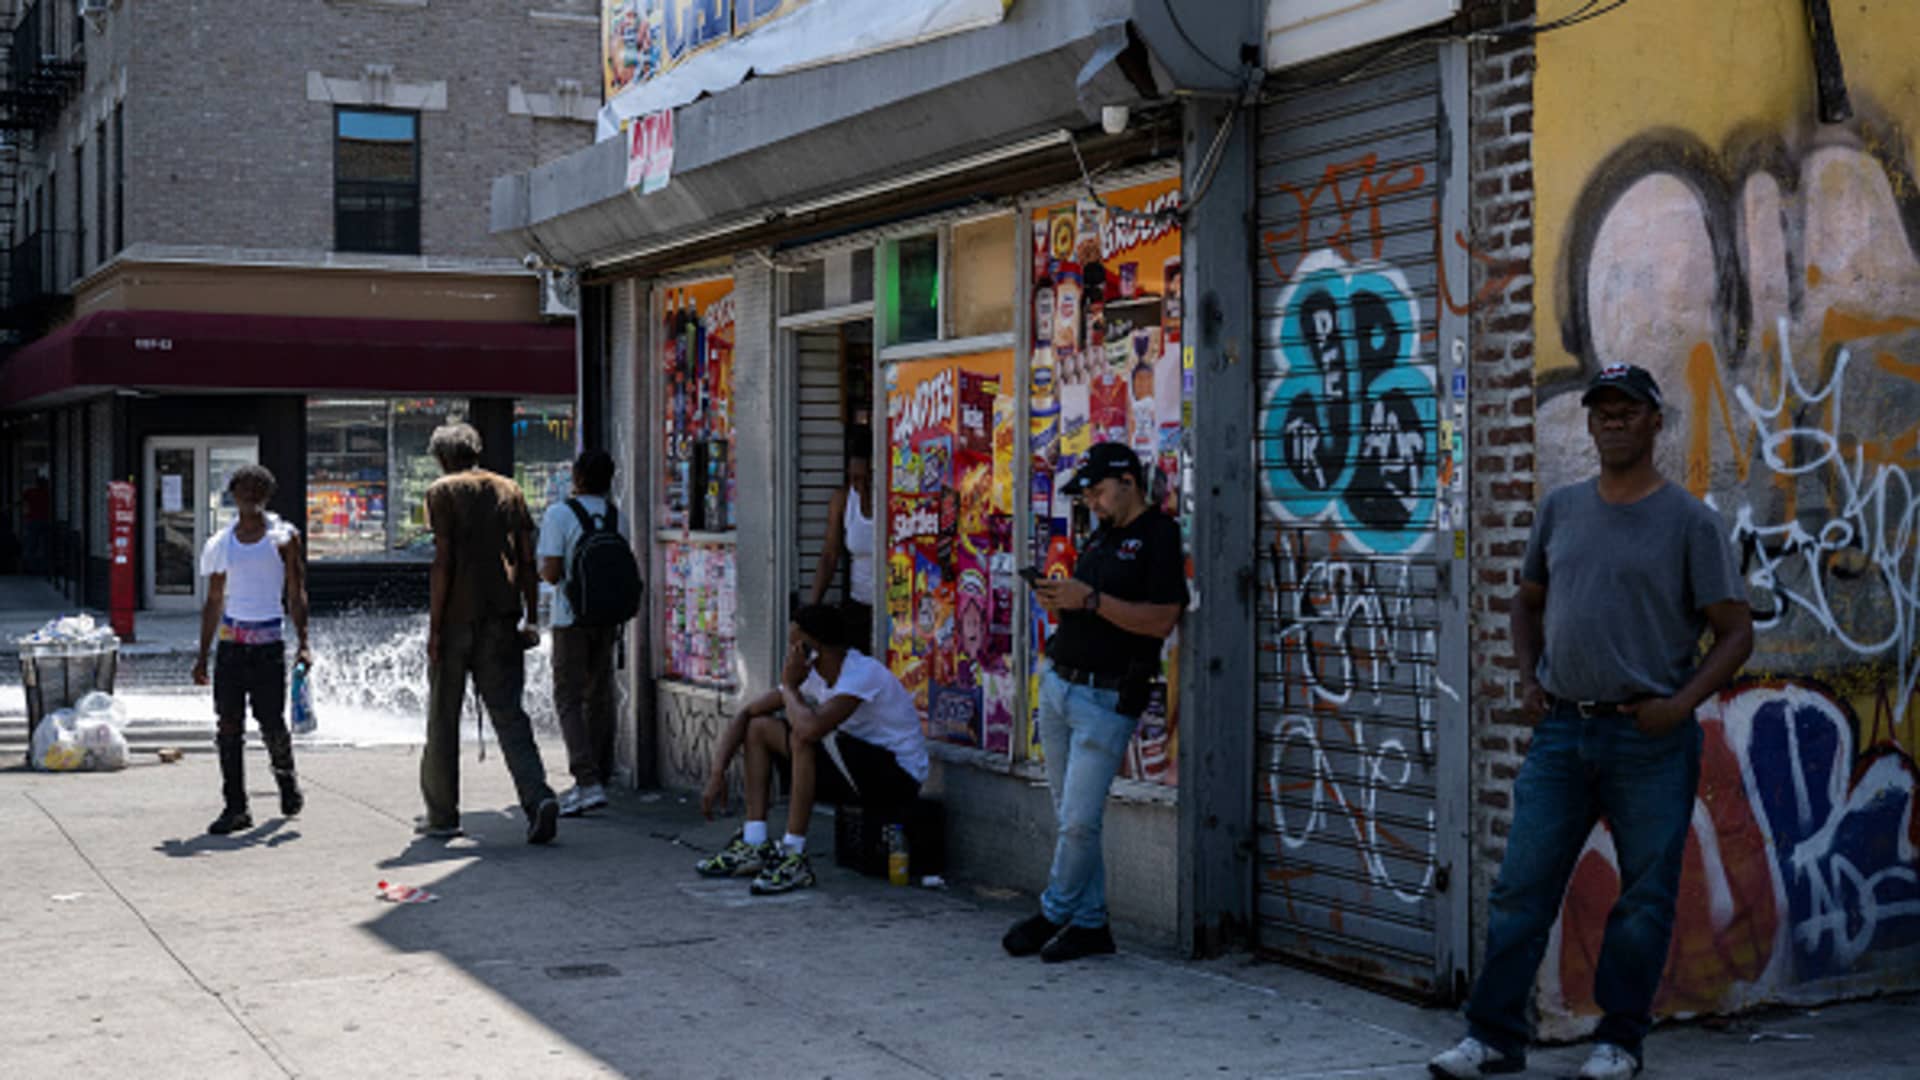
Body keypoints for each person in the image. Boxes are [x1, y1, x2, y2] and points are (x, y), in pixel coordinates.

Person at [1429, 364, 1752, 1080]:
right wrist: (1528, 674)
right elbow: (1526, 600)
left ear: (1654, 423)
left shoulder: (1691, 523)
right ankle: (1492, 1038)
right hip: (1563, 735)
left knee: (1642, 899)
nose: (1612, 421)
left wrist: (1680, 704)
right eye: (1601, 410)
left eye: (1627, 410)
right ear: (1590, 423)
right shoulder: (1561, 509)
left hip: (1650, 740)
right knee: (1521, 888)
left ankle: (1619, 1042)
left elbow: (1735, 632)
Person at [1002, 442, 1186, 963]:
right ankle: (1090, 924)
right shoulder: (1101, 535)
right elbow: (1092, 610)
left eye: (1099, 491)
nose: (1094, 502)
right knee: (1074, 820)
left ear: (1128, 480)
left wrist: (1093, 601)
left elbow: (1161, 619)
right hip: (1061, 683)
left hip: (1107, 696)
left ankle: (1054, 911)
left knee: (1080, 821)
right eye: (1088, 495)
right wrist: (1062, 600)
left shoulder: (1159, 536)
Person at [695, 603, 927, 896]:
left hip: (897, 778)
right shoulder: (813, 676)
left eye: (794, 643)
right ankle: (754, 842)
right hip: (854, 770)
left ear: (811, 647)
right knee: (760, 728)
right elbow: (746, 714)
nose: (790, 651)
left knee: (802, 735)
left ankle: (794, 855)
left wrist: (790, 688)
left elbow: (810, 730)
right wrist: (718, 772)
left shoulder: (862, 673)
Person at [420, 421, 560, 845]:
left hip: (457, 619)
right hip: (502, 617)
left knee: (442, 719)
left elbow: (443, 561)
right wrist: (531, 617)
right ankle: (537, 798)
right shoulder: (508, 488)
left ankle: (443, 815)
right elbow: (526, 557)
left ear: (443, 457)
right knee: (510, 715)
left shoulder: (442, 491)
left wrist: (435, 627)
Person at [191, 465, 309, 835]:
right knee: (228, 726)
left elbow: (296, 592)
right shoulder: (221, 544)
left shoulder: (284, 538)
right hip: (231, 647)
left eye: (258, 488)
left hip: (268, 645)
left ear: (267, 494)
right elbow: (214, 600)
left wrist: (304, 642)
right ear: (233, 493)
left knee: (271, 722)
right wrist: (202, 654)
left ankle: (286, 783)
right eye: (243, 488)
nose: (250, 494)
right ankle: (236, 807)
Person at [537, 448, 623, 817]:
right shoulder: (616, 514)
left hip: (570, 619)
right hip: (607, 618)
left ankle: (585, 782)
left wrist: (541, 571)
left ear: (576, 476)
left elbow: (552, 573)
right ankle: (598, 776)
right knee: (599, 696)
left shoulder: (560, 514)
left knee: (568, 698)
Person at [805, 425, 875, 652]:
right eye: (854, 479)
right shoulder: (843, 500)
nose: (860, 486)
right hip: (858, 607)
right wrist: (811, 610)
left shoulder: (894, 501)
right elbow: (829, 555)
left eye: (866, 480)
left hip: (894, 609)